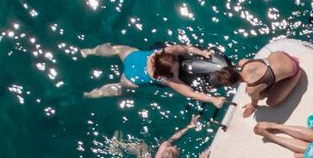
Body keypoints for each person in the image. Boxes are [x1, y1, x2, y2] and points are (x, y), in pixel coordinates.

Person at [81, 43, 236, 107]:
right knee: (121, 86)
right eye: (175, 67)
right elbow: (190, 93)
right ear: (166, 74)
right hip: (132, 79)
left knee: (117, 49)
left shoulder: (165, 52)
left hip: (133, 57)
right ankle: (95, 94)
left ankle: (90, 51)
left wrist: (202, 52)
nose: (177, 64)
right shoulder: (168, 79)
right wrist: (213, 99)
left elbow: (185, 49)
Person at [236, 50, 305, 117]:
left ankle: (297, 75)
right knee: (261, 91)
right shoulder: (242, 62)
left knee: (271, 103)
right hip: (281, 55)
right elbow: (254, 71)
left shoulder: (251, 89)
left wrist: (252, 105)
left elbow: (254, 102)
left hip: (294, 68)